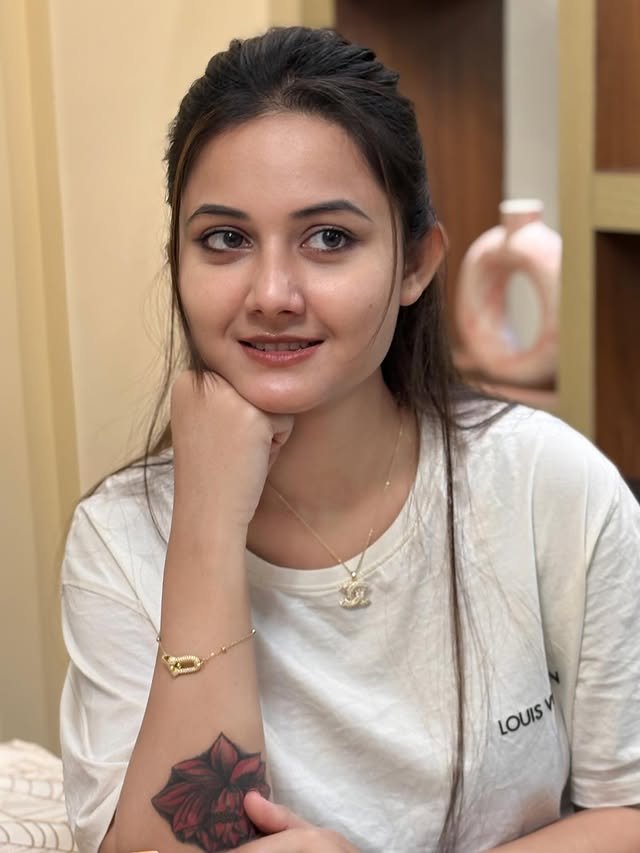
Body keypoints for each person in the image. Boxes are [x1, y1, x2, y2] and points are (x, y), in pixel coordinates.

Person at [59, 25, 640, 853]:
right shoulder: (118, 536)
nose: (272, 293)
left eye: (329, 237)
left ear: (415, 264)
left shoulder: (549, 484)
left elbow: (630, 811)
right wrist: (206, 530)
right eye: (225, 239)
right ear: (178, 264)